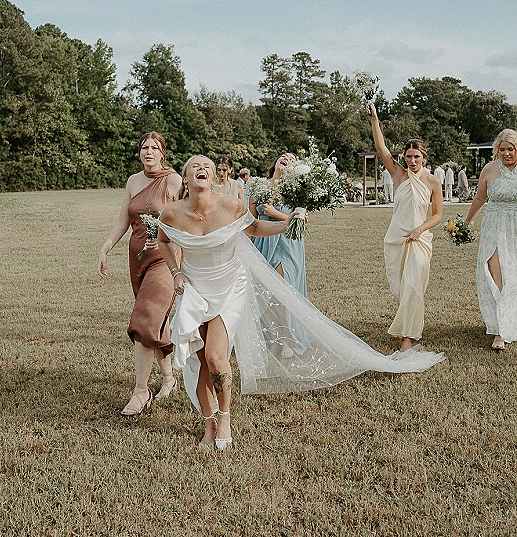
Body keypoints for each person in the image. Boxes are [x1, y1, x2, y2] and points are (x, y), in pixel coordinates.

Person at [157, 155, 444, 451]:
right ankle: (209, 422)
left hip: (229, 285)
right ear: (186, 177)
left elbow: (253, 229)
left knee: (216, 358)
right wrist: (176, 272)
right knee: (201, 360)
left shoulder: (230, 205)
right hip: (195, 289)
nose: (202, 169)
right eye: (195, 166)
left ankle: (225, 418)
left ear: (215, 177)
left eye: (207, 166)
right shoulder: (172, 213)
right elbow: (164, 241)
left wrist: (288, 225)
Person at [98, 132, 182, 415]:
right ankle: (169, 378)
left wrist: (163, 231)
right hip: (138, 260)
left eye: (154, 148)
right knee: (157, 322)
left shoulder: (173, 181)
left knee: (145, 318)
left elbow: (185, 219)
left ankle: (140, 391)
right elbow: (124, 218)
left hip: (165, 259)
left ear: (162, 153)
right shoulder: (133, 181)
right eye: (144, 147)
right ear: (139, 153)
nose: (148, 152)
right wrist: (107, 246)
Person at [368, 102, 443, 352]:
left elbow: (438, 215)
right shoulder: (398, 175)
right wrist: (375, 120)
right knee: (400, 288)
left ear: (424, 158)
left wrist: (419, 229)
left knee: (413, 285)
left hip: (419, 241)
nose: (412, 161)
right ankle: (409, 325)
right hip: (396, 239)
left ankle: (408, 338)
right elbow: (381, 147)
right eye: (408, 156)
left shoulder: (433, 182)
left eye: (417, 157)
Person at [249, 152, 307, 357]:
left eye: (292, 160)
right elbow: (250, 221)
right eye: (284, 156)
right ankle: (274, 338)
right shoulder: (257, 185)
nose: (286, 159)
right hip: (262, 243)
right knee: (263, 293)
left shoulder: (297, 190)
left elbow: (303, 220)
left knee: (280, 291)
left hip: (287, 244)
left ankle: (288, 338)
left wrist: (276, 214)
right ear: (275, 162)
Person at [465, 129, 517, 351]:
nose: (506, 153)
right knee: (497, 275)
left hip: (515, 227)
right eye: (502, 149)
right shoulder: (490, 169)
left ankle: (509, 321)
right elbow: (479, 198)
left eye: (511, 149)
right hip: (494, 227)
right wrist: (465, 223)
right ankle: (500, 331)